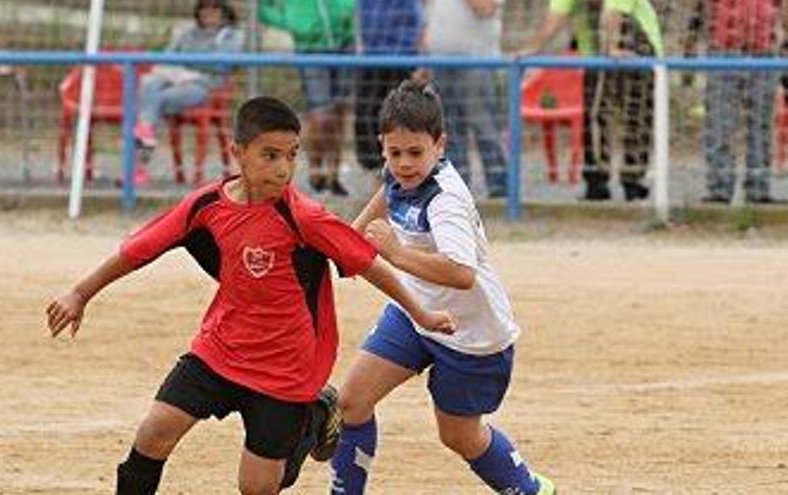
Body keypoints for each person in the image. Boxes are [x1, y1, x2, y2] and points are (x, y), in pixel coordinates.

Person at [46, 96, 455, 495]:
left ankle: (313, 415)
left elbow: (368, 264)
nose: (284, 170)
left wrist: (420, 313)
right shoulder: (206, 204)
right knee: (154, 433)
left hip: (286, 371)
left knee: (257, 487)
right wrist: (80, 293)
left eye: (292, 155)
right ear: (237, 152)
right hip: (218, 350)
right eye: (270, 156)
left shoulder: (304, 216)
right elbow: (139, 250)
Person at [329, 81, 555, 494]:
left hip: (471, 335)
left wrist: (394, 254)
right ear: (383, 145)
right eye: (394, 152)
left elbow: (461, 272)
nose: (404, 163)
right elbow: (388, 189)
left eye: (416, 153)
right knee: (352, 403)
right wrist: (351, 236)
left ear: (440, 145)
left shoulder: (445, 199)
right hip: (416, 311)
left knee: (459, 436)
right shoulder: (399, 170)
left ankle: (530, 488)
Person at [519, 0, 663, 202]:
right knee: (595, 115)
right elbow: (553, 20)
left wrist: (613, 47)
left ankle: (633, 180)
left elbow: (614, 13)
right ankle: (596, 181)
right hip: (595, 54)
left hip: (638, 50)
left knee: (636, 114)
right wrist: (531, 48)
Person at [685, 0, 787, 204]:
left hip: (763, 53)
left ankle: (758, 188)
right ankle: (719, 188)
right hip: (723, 52)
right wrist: (690, 49)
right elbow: (698, 9)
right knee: (720, 123)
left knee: (760, 125)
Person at [132, 0, 243, 186]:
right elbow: (167, 57)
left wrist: (190, 71)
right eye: (204, 7)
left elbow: (220, 66)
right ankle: (146, 133)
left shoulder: (232, 36)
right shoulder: (187, 33)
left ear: (224, 11)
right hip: (177, 79)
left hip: (205, 87)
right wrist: (180, 71)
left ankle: (140, 157)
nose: (209, 11)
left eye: (215, 7)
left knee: (154, 102)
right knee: (149, 83)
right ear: (198, 11)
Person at [258, 0, 355, 196]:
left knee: (339, 113)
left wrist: (347, 11)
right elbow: (263, 8)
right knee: (319, 115)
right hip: (310, 47)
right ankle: (315, 169)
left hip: (344, 44)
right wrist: (293, 22)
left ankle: (333, 174)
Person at [427, 0, 509, 198]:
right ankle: (456, 188)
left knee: (484, 126)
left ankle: (499, 187)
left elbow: (486, 8)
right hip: (441, 60)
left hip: (476, 60)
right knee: (449, 128)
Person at [354, 0, 425, 182]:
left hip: (400, 59)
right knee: (365, 115)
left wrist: (418, 60)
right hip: (371, 59)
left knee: (395, 116)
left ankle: (392, 169)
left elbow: (417, 25)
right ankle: (377, 168)